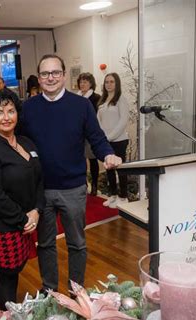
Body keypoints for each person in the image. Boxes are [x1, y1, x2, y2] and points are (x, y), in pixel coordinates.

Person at [21, 54, 122, 292]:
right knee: (45, 244)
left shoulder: (81, 105)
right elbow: (19, 143)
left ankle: (76, 291)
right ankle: (49, 292)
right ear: (39, 78)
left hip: (74, 189)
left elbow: (96, 138)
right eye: (45, 74)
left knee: (77, 243)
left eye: (56, 72)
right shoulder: (28, 108)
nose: (51, 78)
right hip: (41, 190)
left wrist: (107, 154)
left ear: (65, 76)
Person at [0, 89, 44, 309]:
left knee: (17, 269)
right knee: (8, 274)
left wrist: (36, 210)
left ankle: (12, 315)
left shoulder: (27, 142)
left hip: (25, 219)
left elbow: (40, 179)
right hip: (0, 224)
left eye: (11, 111)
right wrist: (24, 220)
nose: (6, 117)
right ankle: (8, 318)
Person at [97, 73, 130, 208]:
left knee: (120, 169)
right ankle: (113, 195)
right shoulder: (103, 100)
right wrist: (102, 137)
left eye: (111, 82)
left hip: (119, 140)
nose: (109, 84)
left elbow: (123, 121)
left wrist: (109, 136)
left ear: (117, 83)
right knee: (109, 169)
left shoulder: (121, 99)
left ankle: (123, 197)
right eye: (106, 82)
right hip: (106, 141)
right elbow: (98, 120)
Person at [77, 72, 101, 196]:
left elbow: (97, 117)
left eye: (85, 82)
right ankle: (84, 184)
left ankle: (95, 185)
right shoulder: (75, 98)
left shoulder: (97, 98)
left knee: (92, 160)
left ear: (91, 83)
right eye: (81, 82)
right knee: (80, 160)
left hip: (90, 134)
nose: (82, 84)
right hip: (77, 135)